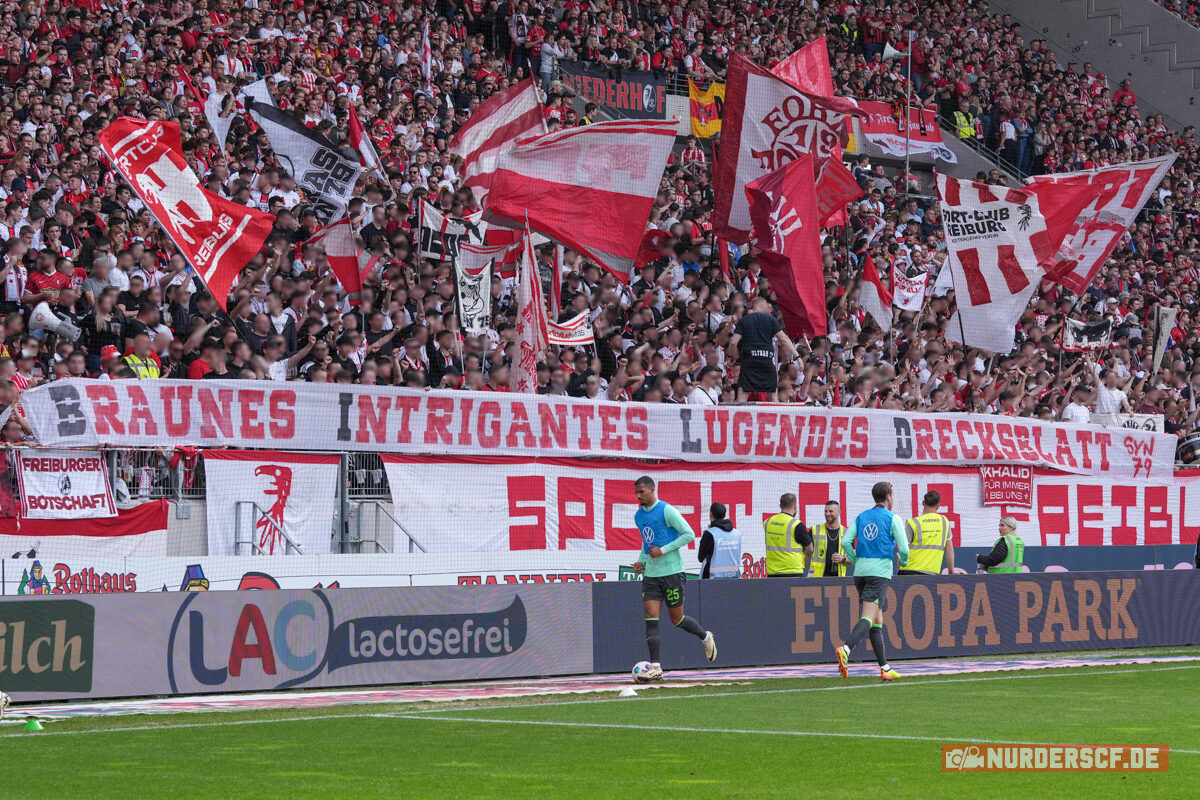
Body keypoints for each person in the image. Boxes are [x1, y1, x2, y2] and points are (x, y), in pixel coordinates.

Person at [631, 476, 717, 679]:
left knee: (677, 620)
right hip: (651, 575)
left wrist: (663, 550)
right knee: (651, 619)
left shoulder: (667, 510)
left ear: (652, 490)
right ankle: (655, 667)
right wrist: (641, 561)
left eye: (642, 492)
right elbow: (646, 542)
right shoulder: (638, 516)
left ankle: (705, 637)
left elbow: (689, 534)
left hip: (672, 573)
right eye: (636, 492)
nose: (639, 496)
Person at [835, 481, 909, 682]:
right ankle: (846, 648)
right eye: (892, 495)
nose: (893, 498)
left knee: (877, 620)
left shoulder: (861, 517)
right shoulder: (893, 518)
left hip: (860, 573)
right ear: (888, 497)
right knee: (868, 617)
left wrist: (856, 559)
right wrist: (904, 561)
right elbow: (903, 548)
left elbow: (845, 542)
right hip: (879, 573)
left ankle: (885, 668)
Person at [729, 296, 798, 402]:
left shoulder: (744, 320)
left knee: (741, 398)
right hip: (766, 361)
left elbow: (733, 342)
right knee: (773, 398)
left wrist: (731, 354)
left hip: (749, 361)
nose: (769, 309)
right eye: (767, 306)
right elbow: (783, 339)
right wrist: (797, 356)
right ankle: (775, 417)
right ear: (761, 305)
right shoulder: (771, 320)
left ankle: (740, 417)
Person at [900, 491, 955, 575]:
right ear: (938, 506)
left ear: (923, 503)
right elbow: (949, 548)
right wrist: (951, 571)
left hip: (909, 570)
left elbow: (903, 548)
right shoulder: (944, 522)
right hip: (931, 572)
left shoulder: (913, 522)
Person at [764, 492, 811, 577]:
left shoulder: (767, 522)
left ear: (780, 506)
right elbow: (810, 548)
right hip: (793, 571)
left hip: (772, 572)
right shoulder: (797, 525)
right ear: (795, 506)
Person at [698, 502, 740, 579]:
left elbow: (700, 558)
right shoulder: (737, 533)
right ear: (724, 515)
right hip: (734, 578)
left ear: (710, 514)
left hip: (712, 580)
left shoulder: (710, 534)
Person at [810, 500, 848, 578]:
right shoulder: (814, 530)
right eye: (825, 511)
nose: (827, 514)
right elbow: (805, 553)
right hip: (816, 577)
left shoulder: (847, 533)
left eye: (831, 511)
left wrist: (842, 559)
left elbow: (853, 558)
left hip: (839, 578)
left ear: (839, 512)